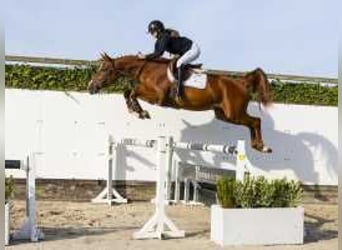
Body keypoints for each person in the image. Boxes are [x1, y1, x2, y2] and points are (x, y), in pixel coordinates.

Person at [138, 20, 201, 98]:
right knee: (174, 63)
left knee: (179, 63)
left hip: (193, 49)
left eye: (152, 32)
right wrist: (146, 57)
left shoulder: (164, 37)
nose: (151, 34)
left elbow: (158, 54)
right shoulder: (160, 40)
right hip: (185, 51)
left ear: (158, 30)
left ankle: (179, 90)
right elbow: (155, 53)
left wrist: (145, 57)